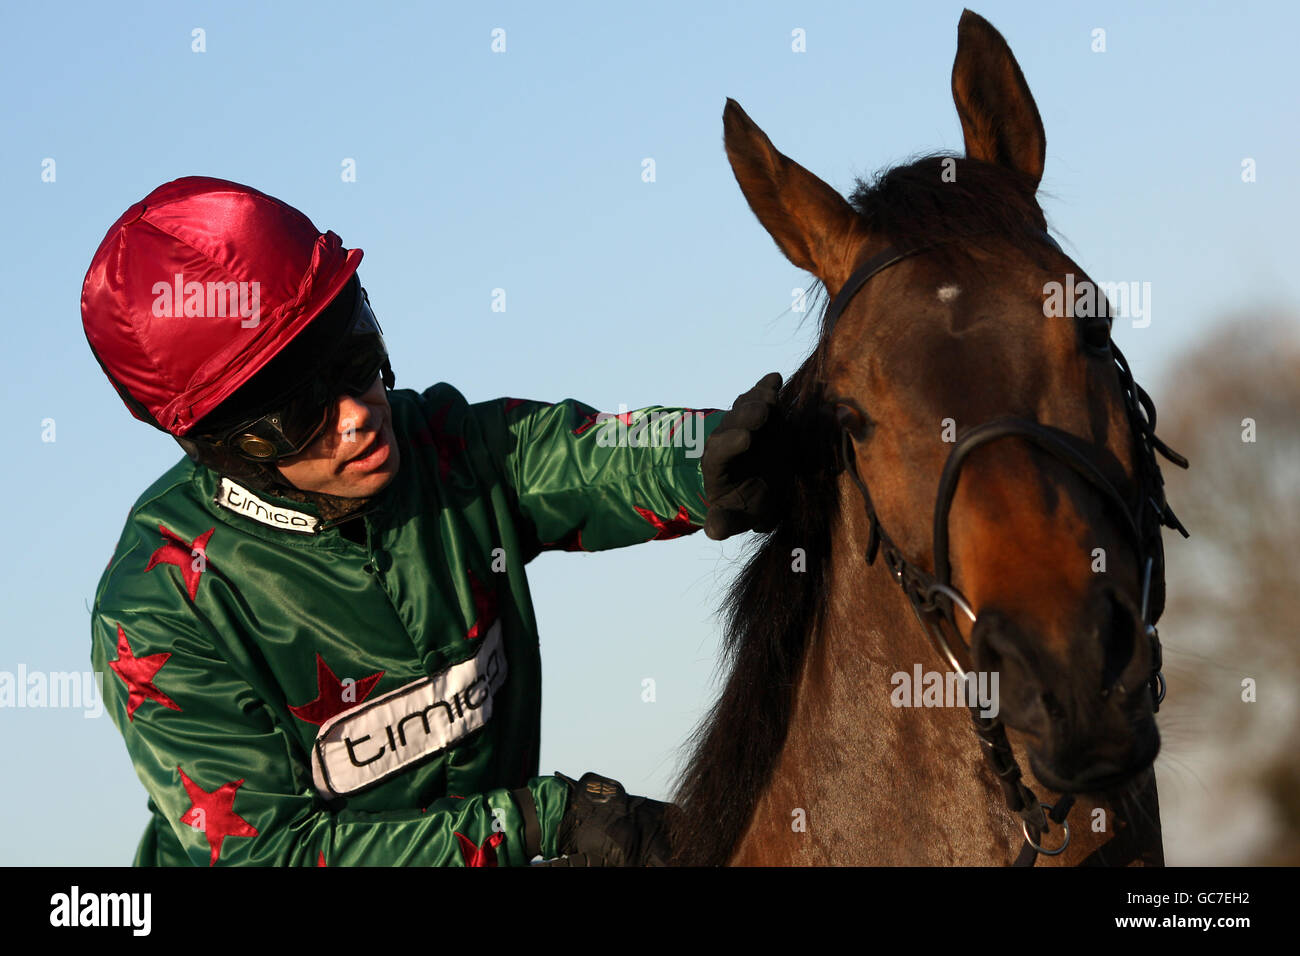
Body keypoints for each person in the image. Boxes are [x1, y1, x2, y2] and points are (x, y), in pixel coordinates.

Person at [82, 176, 793, 866]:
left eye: (357, 358)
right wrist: (547, 821)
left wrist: (709, 455)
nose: (359, 416)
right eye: (301, 417)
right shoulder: (157, 608)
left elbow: (587, 457)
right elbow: (269, 854)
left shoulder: (444, 446)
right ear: (226, 451)